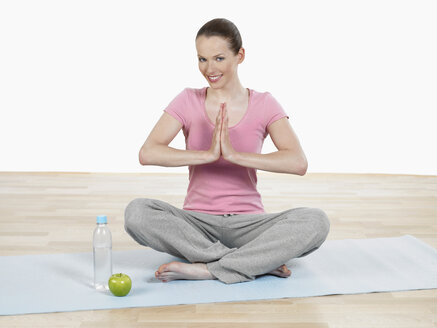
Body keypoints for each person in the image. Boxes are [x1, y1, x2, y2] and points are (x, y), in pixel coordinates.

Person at [124, 18, 330, 284]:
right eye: (202, 59)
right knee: (137, 213)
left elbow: (297, 162)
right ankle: (250, 262)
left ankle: (208, 269)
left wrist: (234, 156)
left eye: (219, 58)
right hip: (197, 225)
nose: (209, 69)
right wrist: (207, 155)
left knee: (316, 221)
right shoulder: (187, 99)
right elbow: (148, 153)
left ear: (240, 55)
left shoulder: (265, 103)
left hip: (250, 224)